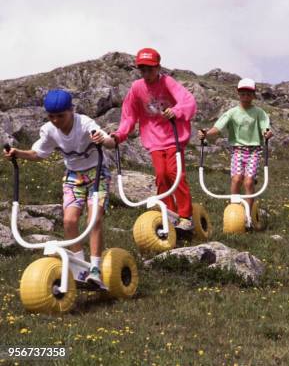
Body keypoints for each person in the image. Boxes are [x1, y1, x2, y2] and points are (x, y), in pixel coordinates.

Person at [3, 90, 116, 288]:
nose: (56, 120)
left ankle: (95, 268)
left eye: (60, 116)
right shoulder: (49, 130)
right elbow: (38, 153)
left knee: (94, 218)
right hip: (73, 177)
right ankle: (81, 266)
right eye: (51, 116)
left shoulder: (85, 124)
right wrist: (17, 153)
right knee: (69, 220)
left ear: (71, 111)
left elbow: (110, 141)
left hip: (97, 173)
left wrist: (103, 140)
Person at [112, 48, 197, 239]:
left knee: (175, 174)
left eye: (150, 69)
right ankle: (169, 212)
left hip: (174, 136)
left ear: (158, 67)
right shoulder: (136, 88)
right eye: (142, 70)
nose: (147, 74)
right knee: (160, 175)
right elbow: (129, 115)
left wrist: (176, 110)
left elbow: (188, 101)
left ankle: (186, 216)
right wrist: (120, 134)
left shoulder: (167, 82)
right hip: (154, 139)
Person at [198, 78, 273, 216]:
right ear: (238, 94)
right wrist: (206, 134)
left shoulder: (259, 112)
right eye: (243, 93)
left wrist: (267, 133)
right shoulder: (232, 112)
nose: (246, 96)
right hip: (238, 150)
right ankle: (235, 211)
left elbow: (265, 128)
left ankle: (248, 216)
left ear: (253, 95)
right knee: (237, 179)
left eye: (249, 94)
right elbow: (218, 128)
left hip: (254, 151)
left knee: (249, 182)